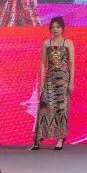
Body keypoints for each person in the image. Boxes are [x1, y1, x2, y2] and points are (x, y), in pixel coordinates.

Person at [31, 17, 74, 151]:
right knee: (44, 106)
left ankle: (60, 138)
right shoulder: (46, 43)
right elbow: (43, 64)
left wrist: (71, 82)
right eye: (53, 27)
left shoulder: (68, 43)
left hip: (63, 80)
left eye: (58, 27)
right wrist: (41, 83)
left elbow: (72, 64)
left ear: (62, 28)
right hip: (50, 79)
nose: (55, 29)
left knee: (62, 108)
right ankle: (39, 137)